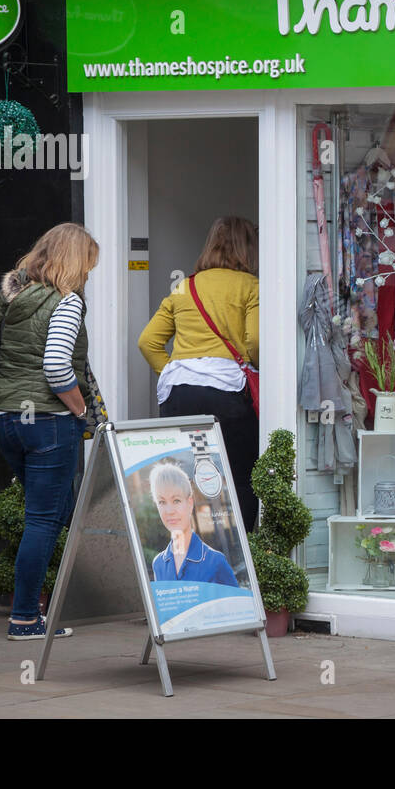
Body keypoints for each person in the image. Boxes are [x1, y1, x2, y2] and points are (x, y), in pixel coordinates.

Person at [0, 222, 99, 641]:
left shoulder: (7, 298)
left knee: (54, 511)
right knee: (45, 519)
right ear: (74, 263)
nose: (88, 275)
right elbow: (55, 364)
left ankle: (40, 608)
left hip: (6, 418)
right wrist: (80, 408)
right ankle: (25, 618)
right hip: (48, 422)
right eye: (88, 265)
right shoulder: (67, 302)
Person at [138, 217, 261, 530]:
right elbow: (256, 341)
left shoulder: (184, 286)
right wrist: (251, 364)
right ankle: (243, 553)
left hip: (179, 394)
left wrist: (174, 371)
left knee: (186, 481)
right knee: (239, 478)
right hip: (226, 393)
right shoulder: (250, 286)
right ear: (248, 248)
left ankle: (190, 553)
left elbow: (148, 341)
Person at [147, 462, 238, 586]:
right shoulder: (158, 564)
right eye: (162, 502)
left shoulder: (215, 561)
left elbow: (236, 604)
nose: (169, 511)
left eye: (176, 500)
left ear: (190, 503)